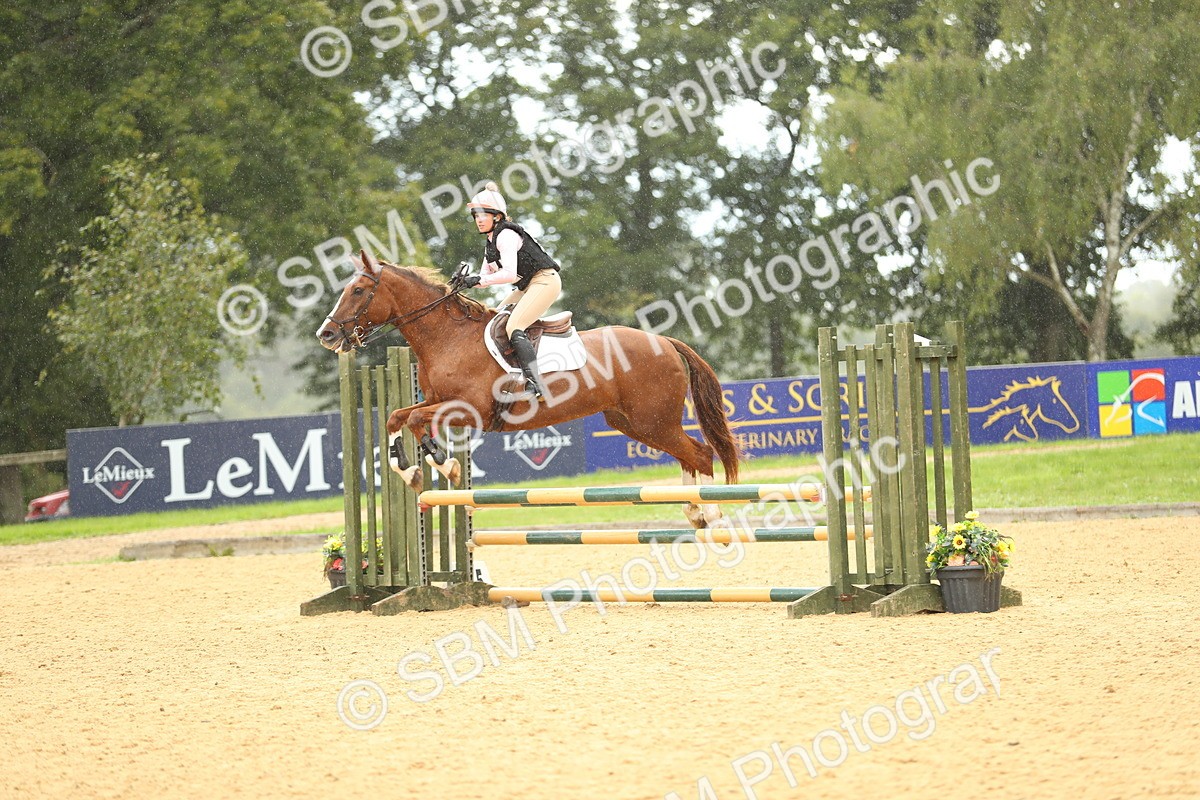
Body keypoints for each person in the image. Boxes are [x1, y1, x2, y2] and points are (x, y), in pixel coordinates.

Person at [459, 181, 562, 399]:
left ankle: (536, 384)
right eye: (475, 216)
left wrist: (478, 279)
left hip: (545, 281)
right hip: (527, 286)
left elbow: (507, 274)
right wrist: (464, 282)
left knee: (514, 325)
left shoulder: (505, 235)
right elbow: (485, 275)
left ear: (497, 217)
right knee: (493, 321)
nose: (478, 220)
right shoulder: (490, 242)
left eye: (483, 215)